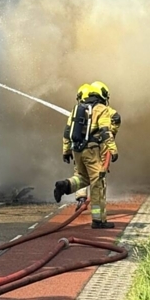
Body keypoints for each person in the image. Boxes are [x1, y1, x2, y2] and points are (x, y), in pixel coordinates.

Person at [54, 81, 121, 229]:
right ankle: (98, 221)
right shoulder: (102, 109)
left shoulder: (76, 109)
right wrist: (113, 149)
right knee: (98, 184)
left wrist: (66, 151)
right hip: (92, 150)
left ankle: (65, 185)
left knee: (82, 178)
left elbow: (67, 132)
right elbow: (105, 131)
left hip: (77, 151)